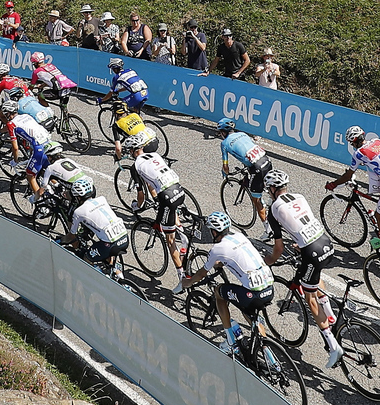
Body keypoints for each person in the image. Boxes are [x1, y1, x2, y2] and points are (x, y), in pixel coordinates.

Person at [262, 171, 346, 368]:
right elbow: (303, 223)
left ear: (272, 189)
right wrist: (301, 244)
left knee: (310, 298)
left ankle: (333, 347)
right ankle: (331, 315)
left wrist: (268, 262)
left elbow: (278, 249)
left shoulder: (274, 208)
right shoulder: (299, 196)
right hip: (326, 244)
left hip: (312, 252)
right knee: (315, 278)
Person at [188, 211, 276, 349]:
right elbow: (237, 256)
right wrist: (221, 263)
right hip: (270, 289)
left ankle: (230, 341)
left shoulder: (217, 248)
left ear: (214, 232)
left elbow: (201, 274)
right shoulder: (239, 236)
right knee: (247, 311)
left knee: (219, 292)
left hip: (253, 295)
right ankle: (266, 349)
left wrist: (187, 283)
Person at [125, 143, 194, 290]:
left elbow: (141, 196)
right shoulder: (154, 155)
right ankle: (184, 239)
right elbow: (152, 179)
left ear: (132, 151)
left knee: (170, 241)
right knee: (171, 212)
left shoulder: (135, 166)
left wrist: (136, 206)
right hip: (178, 190)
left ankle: (182, 279)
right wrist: (156, 198)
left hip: (167, 197)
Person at [328, 126, 380, 225]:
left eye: (351, 143)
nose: (352, 145)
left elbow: (348, 176)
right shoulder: (377, 141)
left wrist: (333, 184)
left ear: (355, 142)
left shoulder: (358, 154)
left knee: (379, 216)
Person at [59, 179, 131, 282]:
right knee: (106, 254)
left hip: (110, 244)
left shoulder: (78, 212)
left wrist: (61, 240)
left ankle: (101, 281)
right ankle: (120, 276)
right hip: (124, 237)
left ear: (78, 197)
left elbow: (72, 236)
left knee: (87, 258)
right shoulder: (102, 199)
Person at [217, 117, 272, 226]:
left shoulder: (224, 143)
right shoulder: (243, 134)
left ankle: (268, 229)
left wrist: (226, 174)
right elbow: (249, 150)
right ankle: (273, 201)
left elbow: (225, 166)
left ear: (223, 132)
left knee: (256, 200)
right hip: (266, 160)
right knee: (269, 188)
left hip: (257, 168)